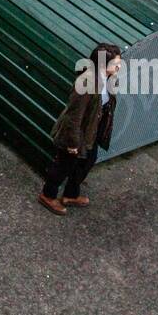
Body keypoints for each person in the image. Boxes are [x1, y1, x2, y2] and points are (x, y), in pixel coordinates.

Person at [38, 45, 120, 215]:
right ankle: (48, 195)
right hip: (76, 132)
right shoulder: (86, 83)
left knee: (87, 162)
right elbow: (73, 117)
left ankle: (70, 195)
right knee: (64, 165)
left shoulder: (108, 78)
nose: (119, 67)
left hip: (91, 131)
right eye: (116, 64)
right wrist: (72, 143)